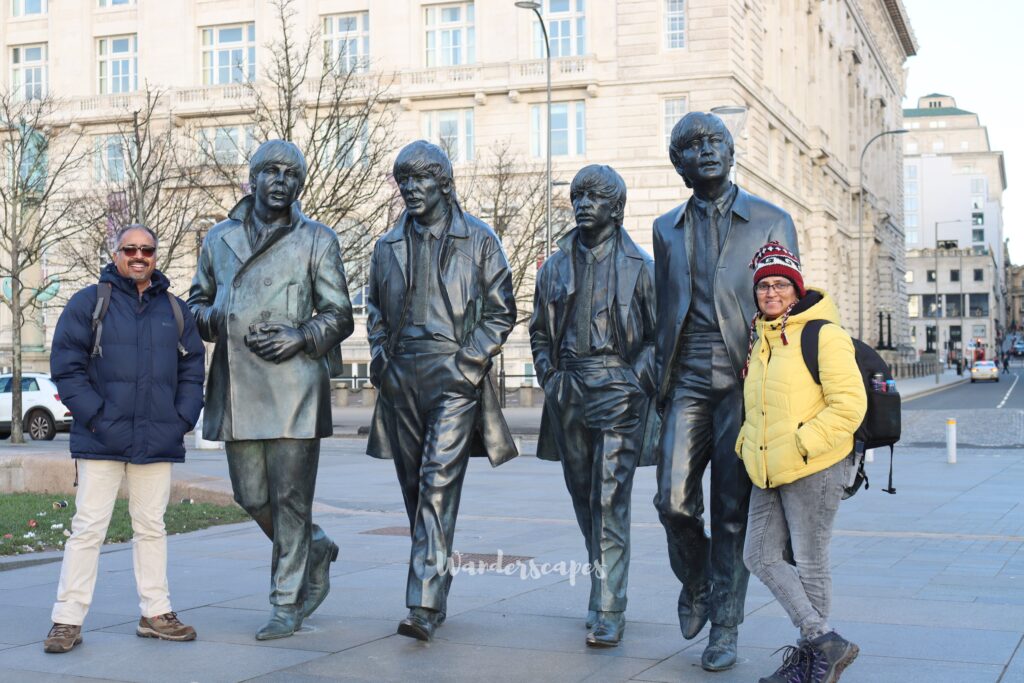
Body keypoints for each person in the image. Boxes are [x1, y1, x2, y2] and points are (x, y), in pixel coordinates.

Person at [188, 140, 354, 640]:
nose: (281, 180)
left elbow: (340, 313)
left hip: (295, 386)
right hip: (239, 388)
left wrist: (301, 335)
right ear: (253, 179)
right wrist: (216, 316)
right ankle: (316, 546)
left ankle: (287, 601)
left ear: (299, 185)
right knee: (251, 494)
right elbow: (196, 304)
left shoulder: (317, 239)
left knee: (290, 500)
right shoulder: (218, 239)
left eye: (291, 174)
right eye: (271, 171)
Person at [652, 111, 800, 671]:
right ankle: (698, 583)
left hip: (746, 379)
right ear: (680, 163)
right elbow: (664, 309)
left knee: (732, 511)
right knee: (672, 502)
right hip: (685, 376)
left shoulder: (770, 219)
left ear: (731, 152)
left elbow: (790, 304)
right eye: (693, 144)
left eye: (716, 140)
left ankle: (726, 628)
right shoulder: (665, 229)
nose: (707, 149)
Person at [366, 140, 518, 642]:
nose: (410, 189)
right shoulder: (387, 244)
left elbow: (501, 310)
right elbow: (373, 310)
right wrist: (382, 358)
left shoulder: (479, 239)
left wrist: (467, 363)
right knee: (414, 491)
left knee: (436, 484)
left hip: (453, 375)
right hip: (401, 376)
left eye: (419, 180)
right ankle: (436, 571)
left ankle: (424, 602)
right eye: (403, 181)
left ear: (445, 184)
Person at [44, 224, 205, 653]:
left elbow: (192, 371)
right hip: (100, 438)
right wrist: (95, 417)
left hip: (157, 438)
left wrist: (181, 419)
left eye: (146, 250)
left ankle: (156, 613)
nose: (138, 256)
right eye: (129, 249)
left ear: (155, 255)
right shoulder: (89, 302)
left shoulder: (175, 309)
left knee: (152, 527)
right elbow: (66, 366)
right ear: (115, 253)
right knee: (87, 529)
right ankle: (67, 619)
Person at [530, 165, 658, 647]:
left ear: (617, 208)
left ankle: (609, 605)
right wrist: (550, 377)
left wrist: (632, 382)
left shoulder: (641, 267)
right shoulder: (555, 266)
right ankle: (603, 584)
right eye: (578, 195)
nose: (584, 203)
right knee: (585, 498)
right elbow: (539, 331)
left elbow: (658, 338)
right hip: (569, 389)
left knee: (609, 498)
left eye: (596, 197)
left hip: (618, 388)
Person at [737, 242, 866, 683]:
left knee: (810, 561)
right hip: (768, 467)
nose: (771, 293)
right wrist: (746, 445)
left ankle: (813, 664)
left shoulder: (823, 333)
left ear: (796, 289)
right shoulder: (761, 338)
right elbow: (757, 406)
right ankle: (823, 642)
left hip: (816, 465)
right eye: (763, 286)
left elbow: (849, 406)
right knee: (758, 554)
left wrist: (800, 444)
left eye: (780, 285)